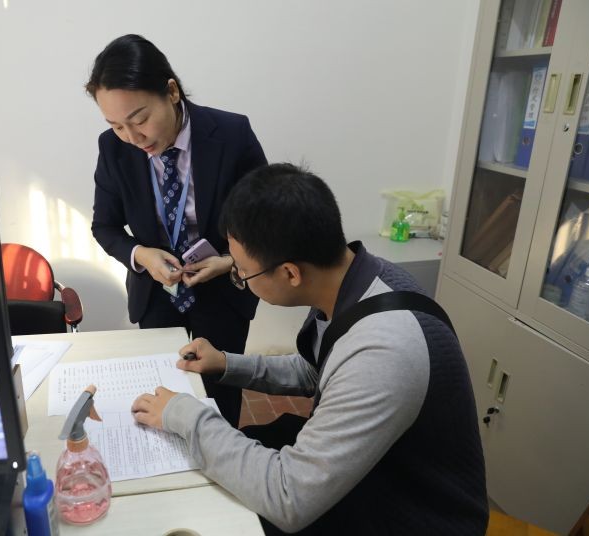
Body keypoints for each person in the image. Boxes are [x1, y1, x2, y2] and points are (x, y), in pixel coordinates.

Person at [131, 163, 489, 534]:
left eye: (242, 272)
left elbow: (289, 497)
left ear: (290, 273)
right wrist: (225, 364)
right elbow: (317, 368)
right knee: (235, 456)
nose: (240, 278)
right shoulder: (357, 276)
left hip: (409, 515)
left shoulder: (385, 351)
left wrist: (185, 415)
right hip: (374, 474)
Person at [87, 34, 266, 427]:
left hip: (223, 295)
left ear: (171, 91)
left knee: (219, 407)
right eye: (117, 126)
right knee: (162, 407)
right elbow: (105, 226)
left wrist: (229, 262)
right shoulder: (113, 148)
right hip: (157, 295)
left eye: (139, 120)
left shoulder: (231, 134)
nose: (133, 138)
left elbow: (265, 220)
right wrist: (142, 255)